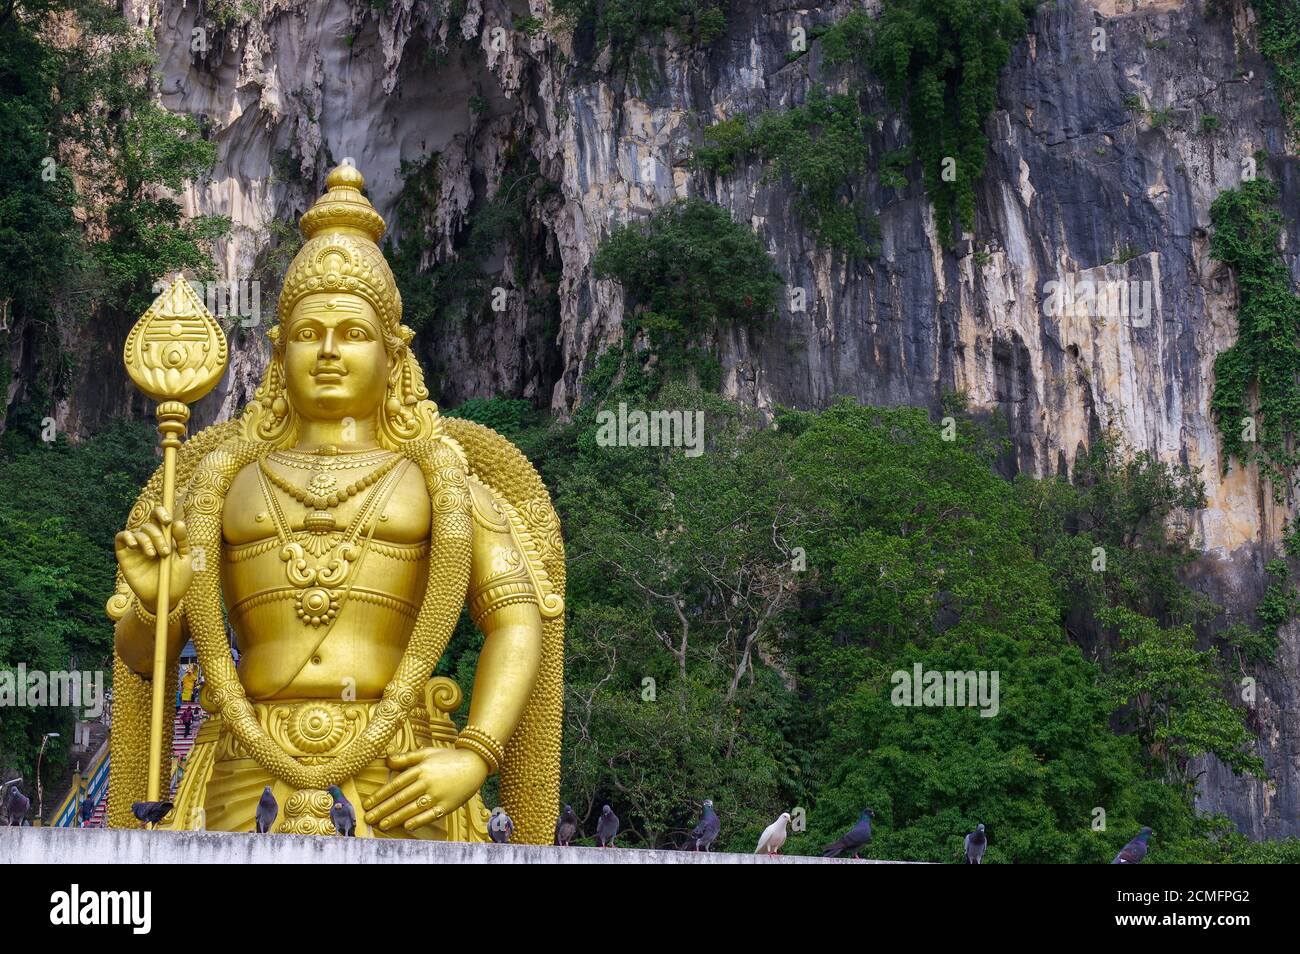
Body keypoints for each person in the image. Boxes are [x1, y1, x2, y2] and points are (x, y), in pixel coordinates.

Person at [106, 164, 565, 842]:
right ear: (278, 351)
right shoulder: (217, 485)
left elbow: (517, 621)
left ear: (393, 352)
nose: (327, 351)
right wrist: (154, 604)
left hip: (401, 770)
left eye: (352, 334)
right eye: (307, 332)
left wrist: (474, 753)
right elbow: (146, 660)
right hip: (242, 763)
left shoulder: (447, 485)